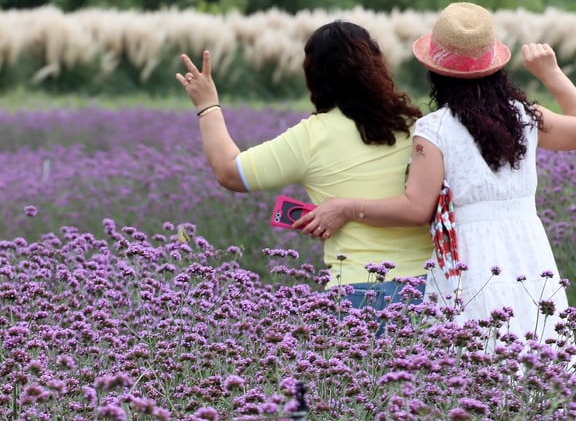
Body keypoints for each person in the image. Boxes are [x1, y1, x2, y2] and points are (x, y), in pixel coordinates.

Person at [296, 2, 576, 347]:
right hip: (528, 251)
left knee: (477, 359)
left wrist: (348, 207)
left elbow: (417, 209)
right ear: (495, 65)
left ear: (436, 70)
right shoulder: (523, 117)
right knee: (536, 346)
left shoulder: (435, 129)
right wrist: (550, 72)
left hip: (470, 258)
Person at [177, 21, 432, 315]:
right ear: (378, 65)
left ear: (313, 76)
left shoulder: (312, 137)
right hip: (429, 291)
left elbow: (230, 172)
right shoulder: (419, 129)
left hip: (357, 293)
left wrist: (208, 105)